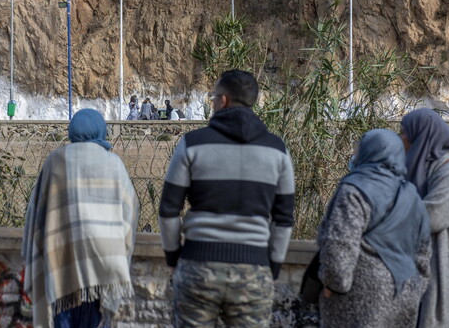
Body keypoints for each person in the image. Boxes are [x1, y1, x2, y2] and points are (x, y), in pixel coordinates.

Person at [159, 70, 294, 327]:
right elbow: (284, 219)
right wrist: (271, 268)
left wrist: (174, 260)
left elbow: (168, 211)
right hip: (254, 270)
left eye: (213, 98)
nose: (212, 103)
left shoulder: (192, 144)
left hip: (198, 265)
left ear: (223, 101)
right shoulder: (277, 150)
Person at [22, 109, 139, 327]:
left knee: (62, 315)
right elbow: (130, 210)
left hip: (62, 256)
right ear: (101, 130)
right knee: (92, 318)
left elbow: (37, 211)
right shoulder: (113, 163)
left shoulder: (55, 161)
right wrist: (119, 248)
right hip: (101, 261)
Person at [317, 129, 431, 327]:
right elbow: (423, 249)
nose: (354, 155)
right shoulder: (411, 193)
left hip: (360, 295)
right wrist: (416, 286)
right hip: (405, 291)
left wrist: (333, 285)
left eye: (358, 150)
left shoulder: (354, 190)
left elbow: (340, 244)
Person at [400, 108, 449, 328]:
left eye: (405, 132)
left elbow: (433, 216)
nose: (402, 138)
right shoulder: (416, 170)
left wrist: (390, 216)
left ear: (421, 135)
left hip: (442, 267)